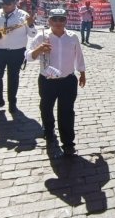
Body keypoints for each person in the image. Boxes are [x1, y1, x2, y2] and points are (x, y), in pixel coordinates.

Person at [26, 9, 86, 158]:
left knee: (66, 112)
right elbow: (27, 56)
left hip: (67, 80)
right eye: (55, 20)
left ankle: (68, 143)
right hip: (48, 81)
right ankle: (48, 130)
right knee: (46, 107)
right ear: (49, 21)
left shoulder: (72, 37)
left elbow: (79, 56)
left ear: (66, 21)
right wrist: (39, 50)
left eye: (62, 20)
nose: (58, 23)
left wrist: (82, 73)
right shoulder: (42, 37)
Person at [0, 0, 36, 115]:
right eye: (2, 4)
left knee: (13, 78)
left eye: (8, 4)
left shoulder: (23, 15)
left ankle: (12, 102)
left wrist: (31, 24)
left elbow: (33, 34)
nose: (5, 7)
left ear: (14, 3)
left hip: (16, 52)